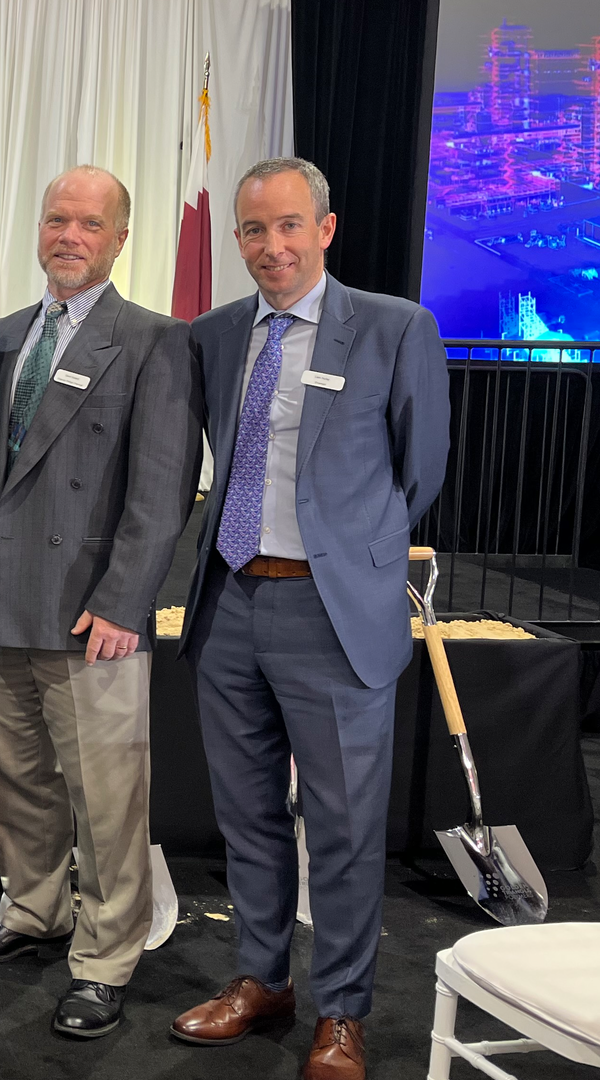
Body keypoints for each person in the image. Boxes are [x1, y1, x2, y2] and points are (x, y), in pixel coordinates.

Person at [171, 157, 449, 1080]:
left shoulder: (395, 328)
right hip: (230, 601)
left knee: (340, 825)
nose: (271, 245)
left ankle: (342, 1012)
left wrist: (348, 554)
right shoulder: (211, 335)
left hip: (332, 612)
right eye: (254, 230)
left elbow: (420, 473)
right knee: (247, 818)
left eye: (289, 226)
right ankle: (262, 980)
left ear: (325, 230)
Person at [0, 166, 202, 1039]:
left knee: (107, 800)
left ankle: (104, 957)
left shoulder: (154, 340)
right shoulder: (2, 335)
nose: (68, 235)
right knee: (14, 783)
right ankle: (33, 912)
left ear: (120, 239)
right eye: (57, 218)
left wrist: (127, 600)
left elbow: (164, 485)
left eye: (89, 224)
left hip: (91, 612)